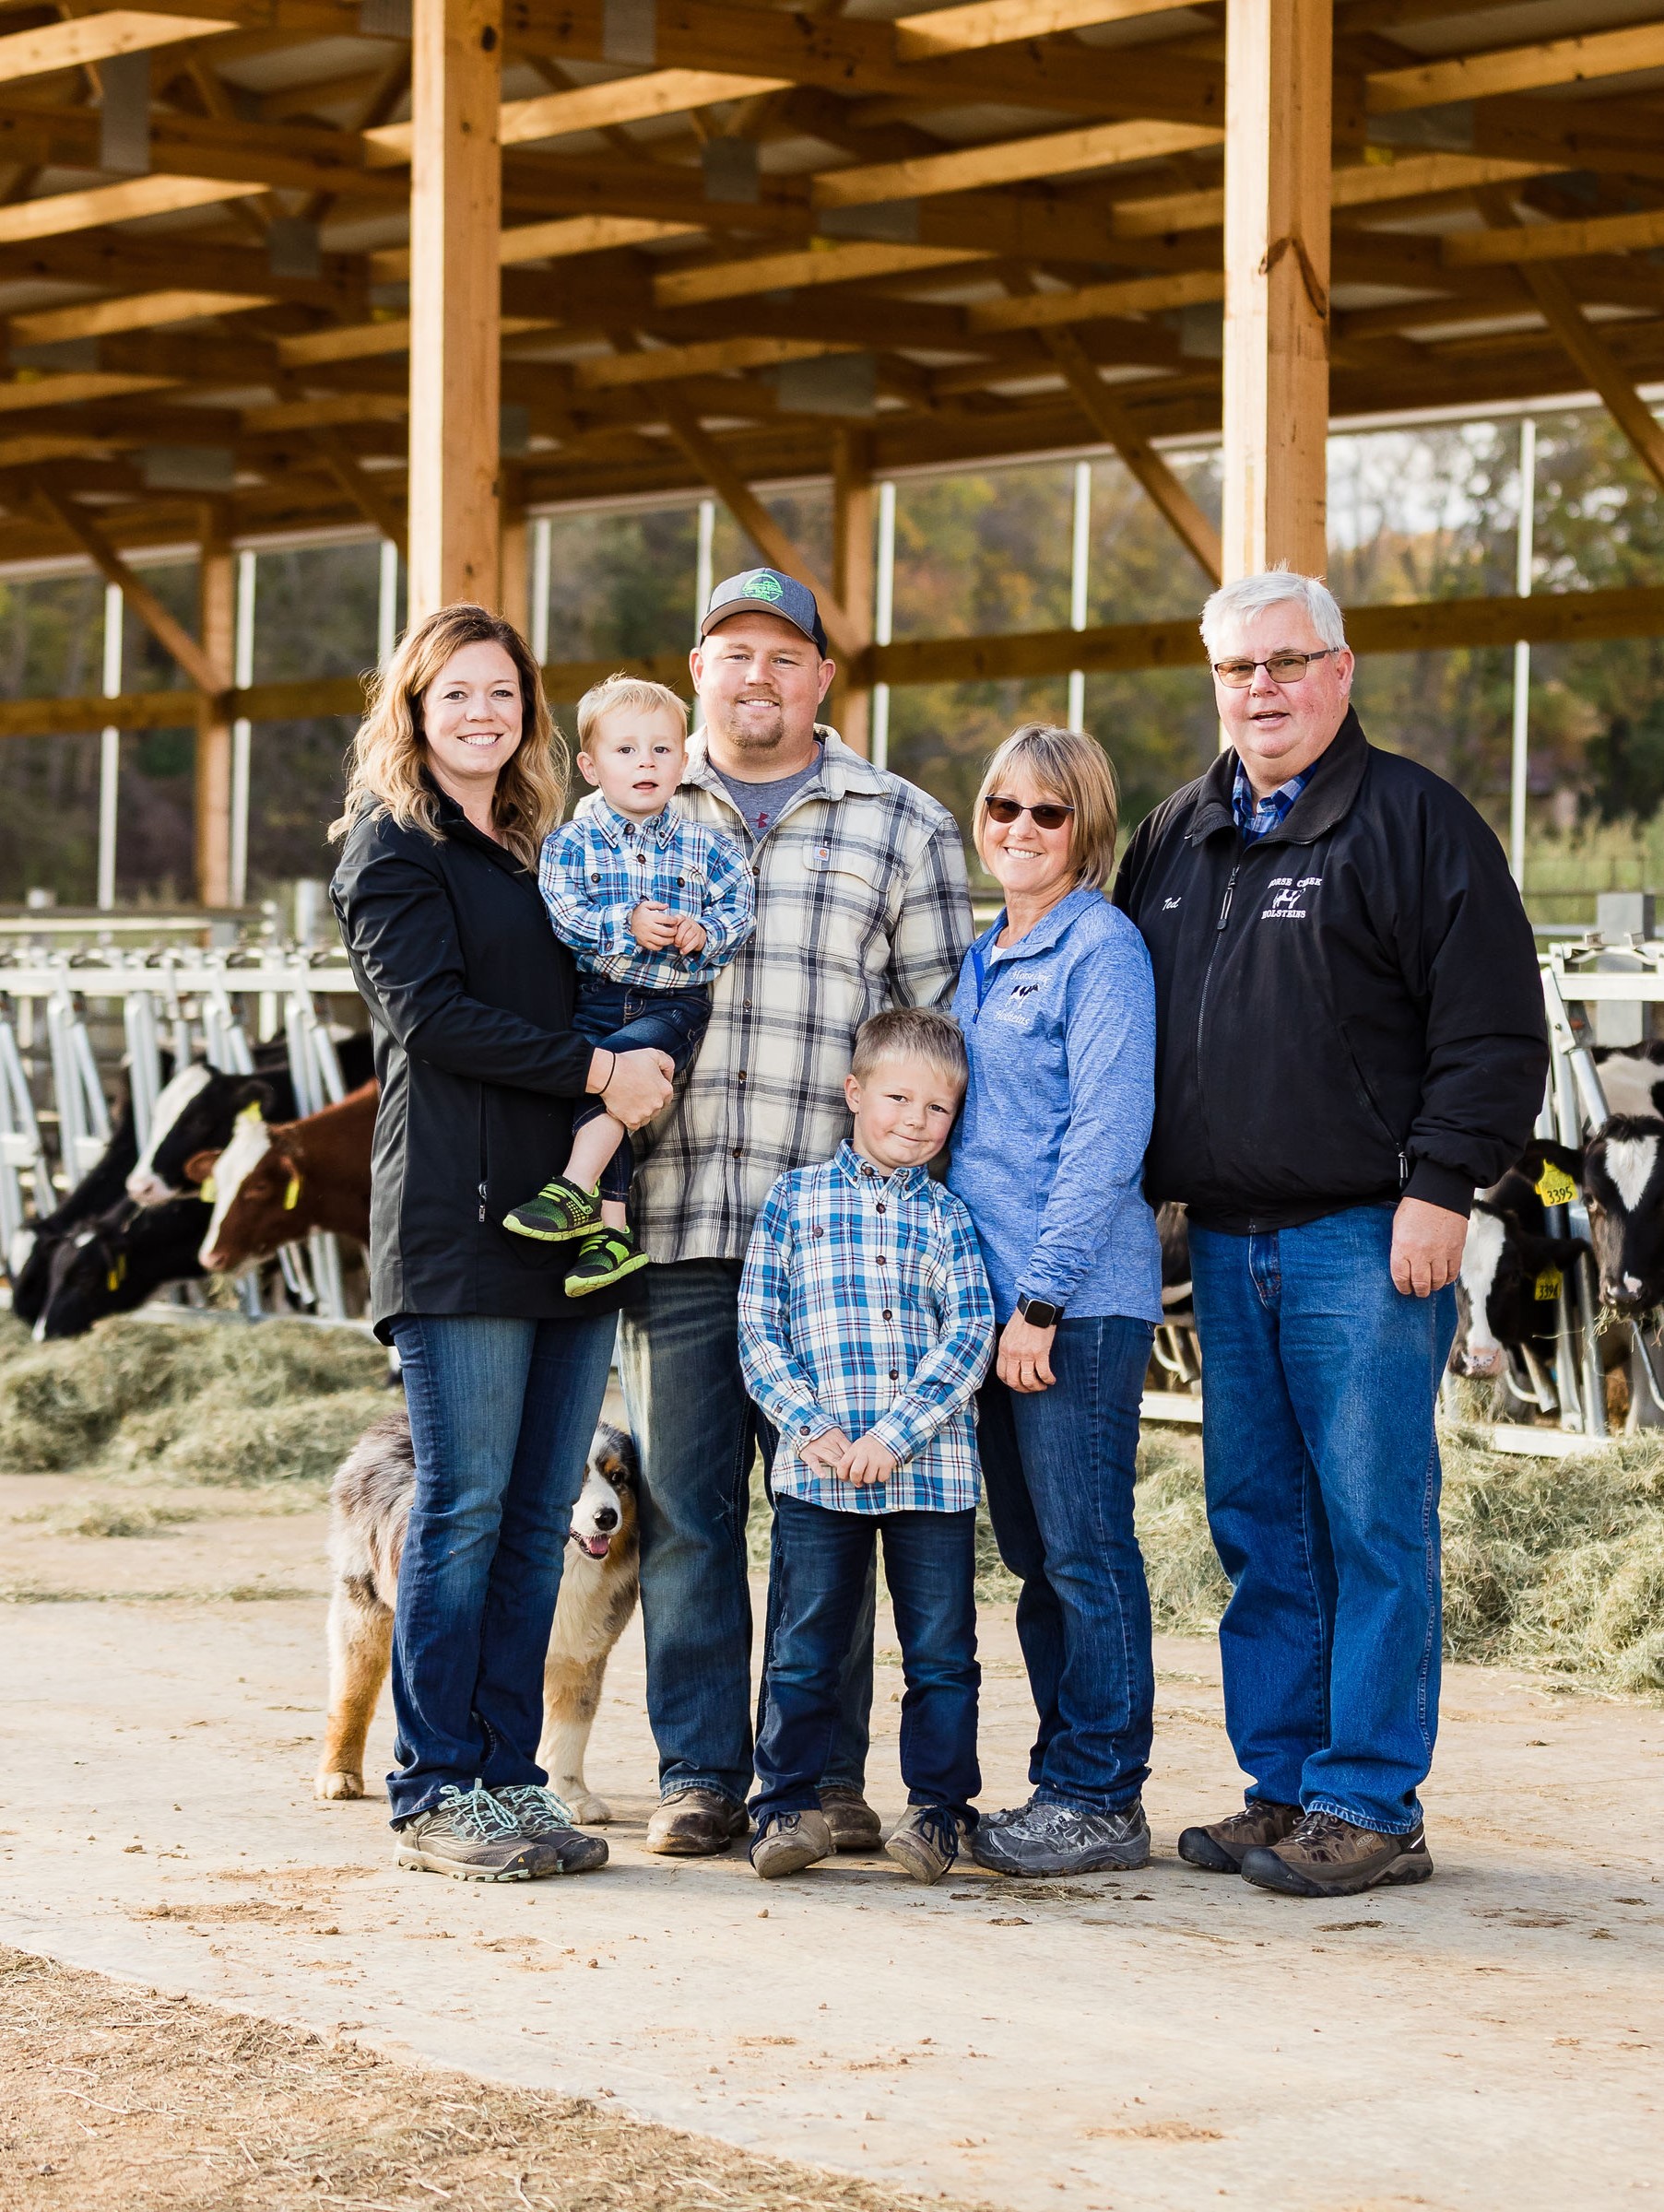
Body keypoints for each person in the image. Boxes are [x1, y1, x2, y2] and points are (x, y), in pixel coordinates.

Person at [1114, 569, 1549, 1900]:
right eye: (1239, 670)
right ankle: (1285, 1784)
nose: (1262, 690)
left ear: (1340, 671)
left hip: (1363, 1237)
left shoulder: (1413, 823)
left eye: (1287, 664)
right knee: (1260, 1524)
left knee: (1371, 1521)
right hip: (1227, 1241)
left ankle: (1370, 1801)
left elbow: (1491, 1029)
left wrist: (1439, 1188)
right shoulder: (1178, 832)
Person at [620, 566, 974, 1858]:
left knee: (829, 1523)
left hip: (843, 1253)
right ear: (697, 669)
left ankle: (819, 1782)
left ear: (823, 679)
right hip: (673, 1220)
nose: (755, 677)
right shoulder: (633, 807)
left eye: (783, 656)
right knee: (689, 1514)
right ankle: (701, 1773)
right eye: (732, 653)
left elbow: (941, 1037)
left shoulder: (900, 824)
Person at [329, 603, 674, 1882]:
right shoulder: (393, 852)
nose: (483, 713)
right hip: (459, 1225)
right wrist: (601, 1068)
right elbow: (435, 1020)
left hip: (564, 1223)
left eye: (502, 693)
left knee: (536, 1517)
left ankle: (506, 1776)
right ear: (413, 713)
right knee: (464, 1510)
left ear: (530, 712)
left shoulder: (543, 848)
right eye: (455, 694)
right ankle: (432, 1787)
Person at [947, 724, 1165, 1878]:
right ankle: (1060, 1781)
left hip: (1069, 1306)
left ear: (1085, 828)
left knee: (1085, 1550)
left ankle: (1100, 1793)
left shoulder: (1102, 949)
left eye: (1047, 813)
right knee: (1034, 1555)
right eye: (1000, 808)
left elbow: (1106, 1134)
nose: (1019, 831)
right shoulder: (980, 954)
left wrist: (1038, 1300)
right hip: (989, 1312)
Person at [738, 1007, 995, 1886]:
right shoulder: (793, 1201)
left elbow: (969, 1335)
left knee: (939, 1654)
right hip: (817, 1473)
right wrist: (812, 1427)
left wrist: (893, 1435)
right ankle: (786, 1806)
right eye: (896, 1098)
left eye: (938, 1109)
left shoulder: (950, 1219)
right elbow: (757, 1330)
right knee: (803, 1645)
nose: (915, 1122)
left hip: (930, 1473)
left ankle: (937, 1813)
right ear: (855, 1093)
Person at [502, 675, 753, 1297]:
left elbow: (739, 910)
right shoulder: (570, 843)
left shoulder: (710, 846)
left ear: (683, 760)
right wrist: (625, 924)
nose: (646, 762)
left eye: (662, 749)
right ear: (590, 766)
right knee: (597, 1093)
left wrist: (706, 930)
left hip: (675, 1003)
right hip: (598, 997)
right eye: (625, 750)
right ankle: (610, 1235)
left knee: (614, 1070)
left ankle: (569, 1191)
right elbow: (565, 915)